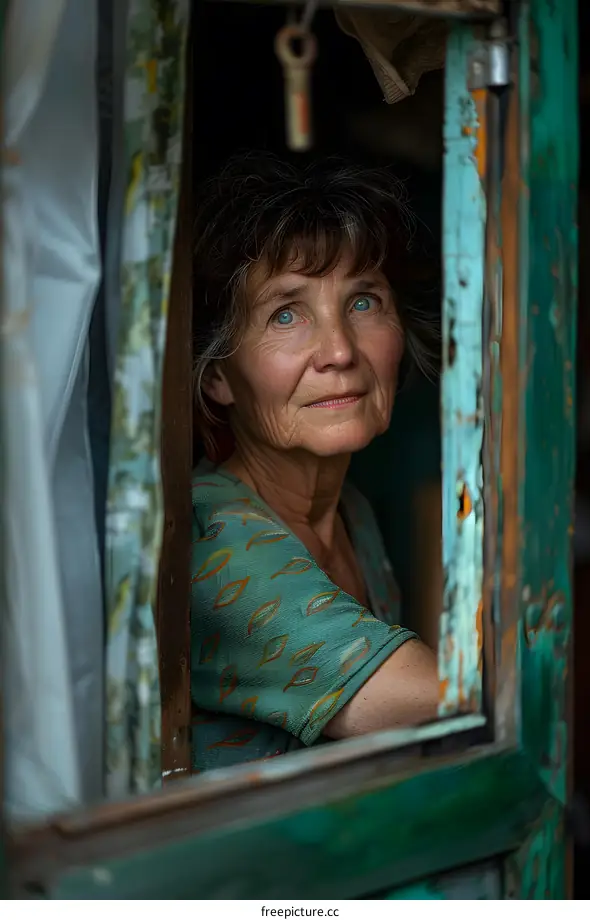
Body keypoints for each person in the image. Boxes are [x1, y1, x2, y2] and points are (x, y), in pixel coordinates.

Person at [190, 153, 439, 773]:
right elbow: (438, 700)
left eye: (363, 302)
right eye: (286, 314)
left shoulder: (351, 511)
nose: (339, 351)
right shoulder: (211, 540)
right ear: (218, 376)